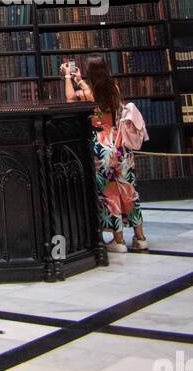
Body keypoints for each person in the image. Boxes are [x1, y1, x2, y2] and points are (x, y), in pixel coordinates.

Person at [62, 55, 148, 254]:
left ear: (90, 72)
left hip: (101, 147)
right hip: (121, 145)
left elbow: (69, 99)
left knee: (109, 194)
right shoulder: (114, 88)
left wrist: (68, 76)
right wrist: (81, 81)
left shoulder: (87, 93)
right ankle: (140, 237)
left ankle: (118, 240)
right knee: (129, 191)